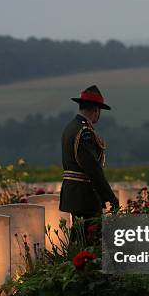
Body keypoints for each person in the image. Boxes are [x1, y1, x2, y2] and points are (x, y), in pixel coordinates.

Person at [59, 85, 119, 236]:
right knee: (90, 241)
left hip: (75, 193)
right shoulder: (84, 132)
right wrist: (110, 197)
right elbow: (92, 168)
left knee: (80, 239)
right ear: (95, 110)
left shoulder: (71, 127)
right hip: (85, 195)